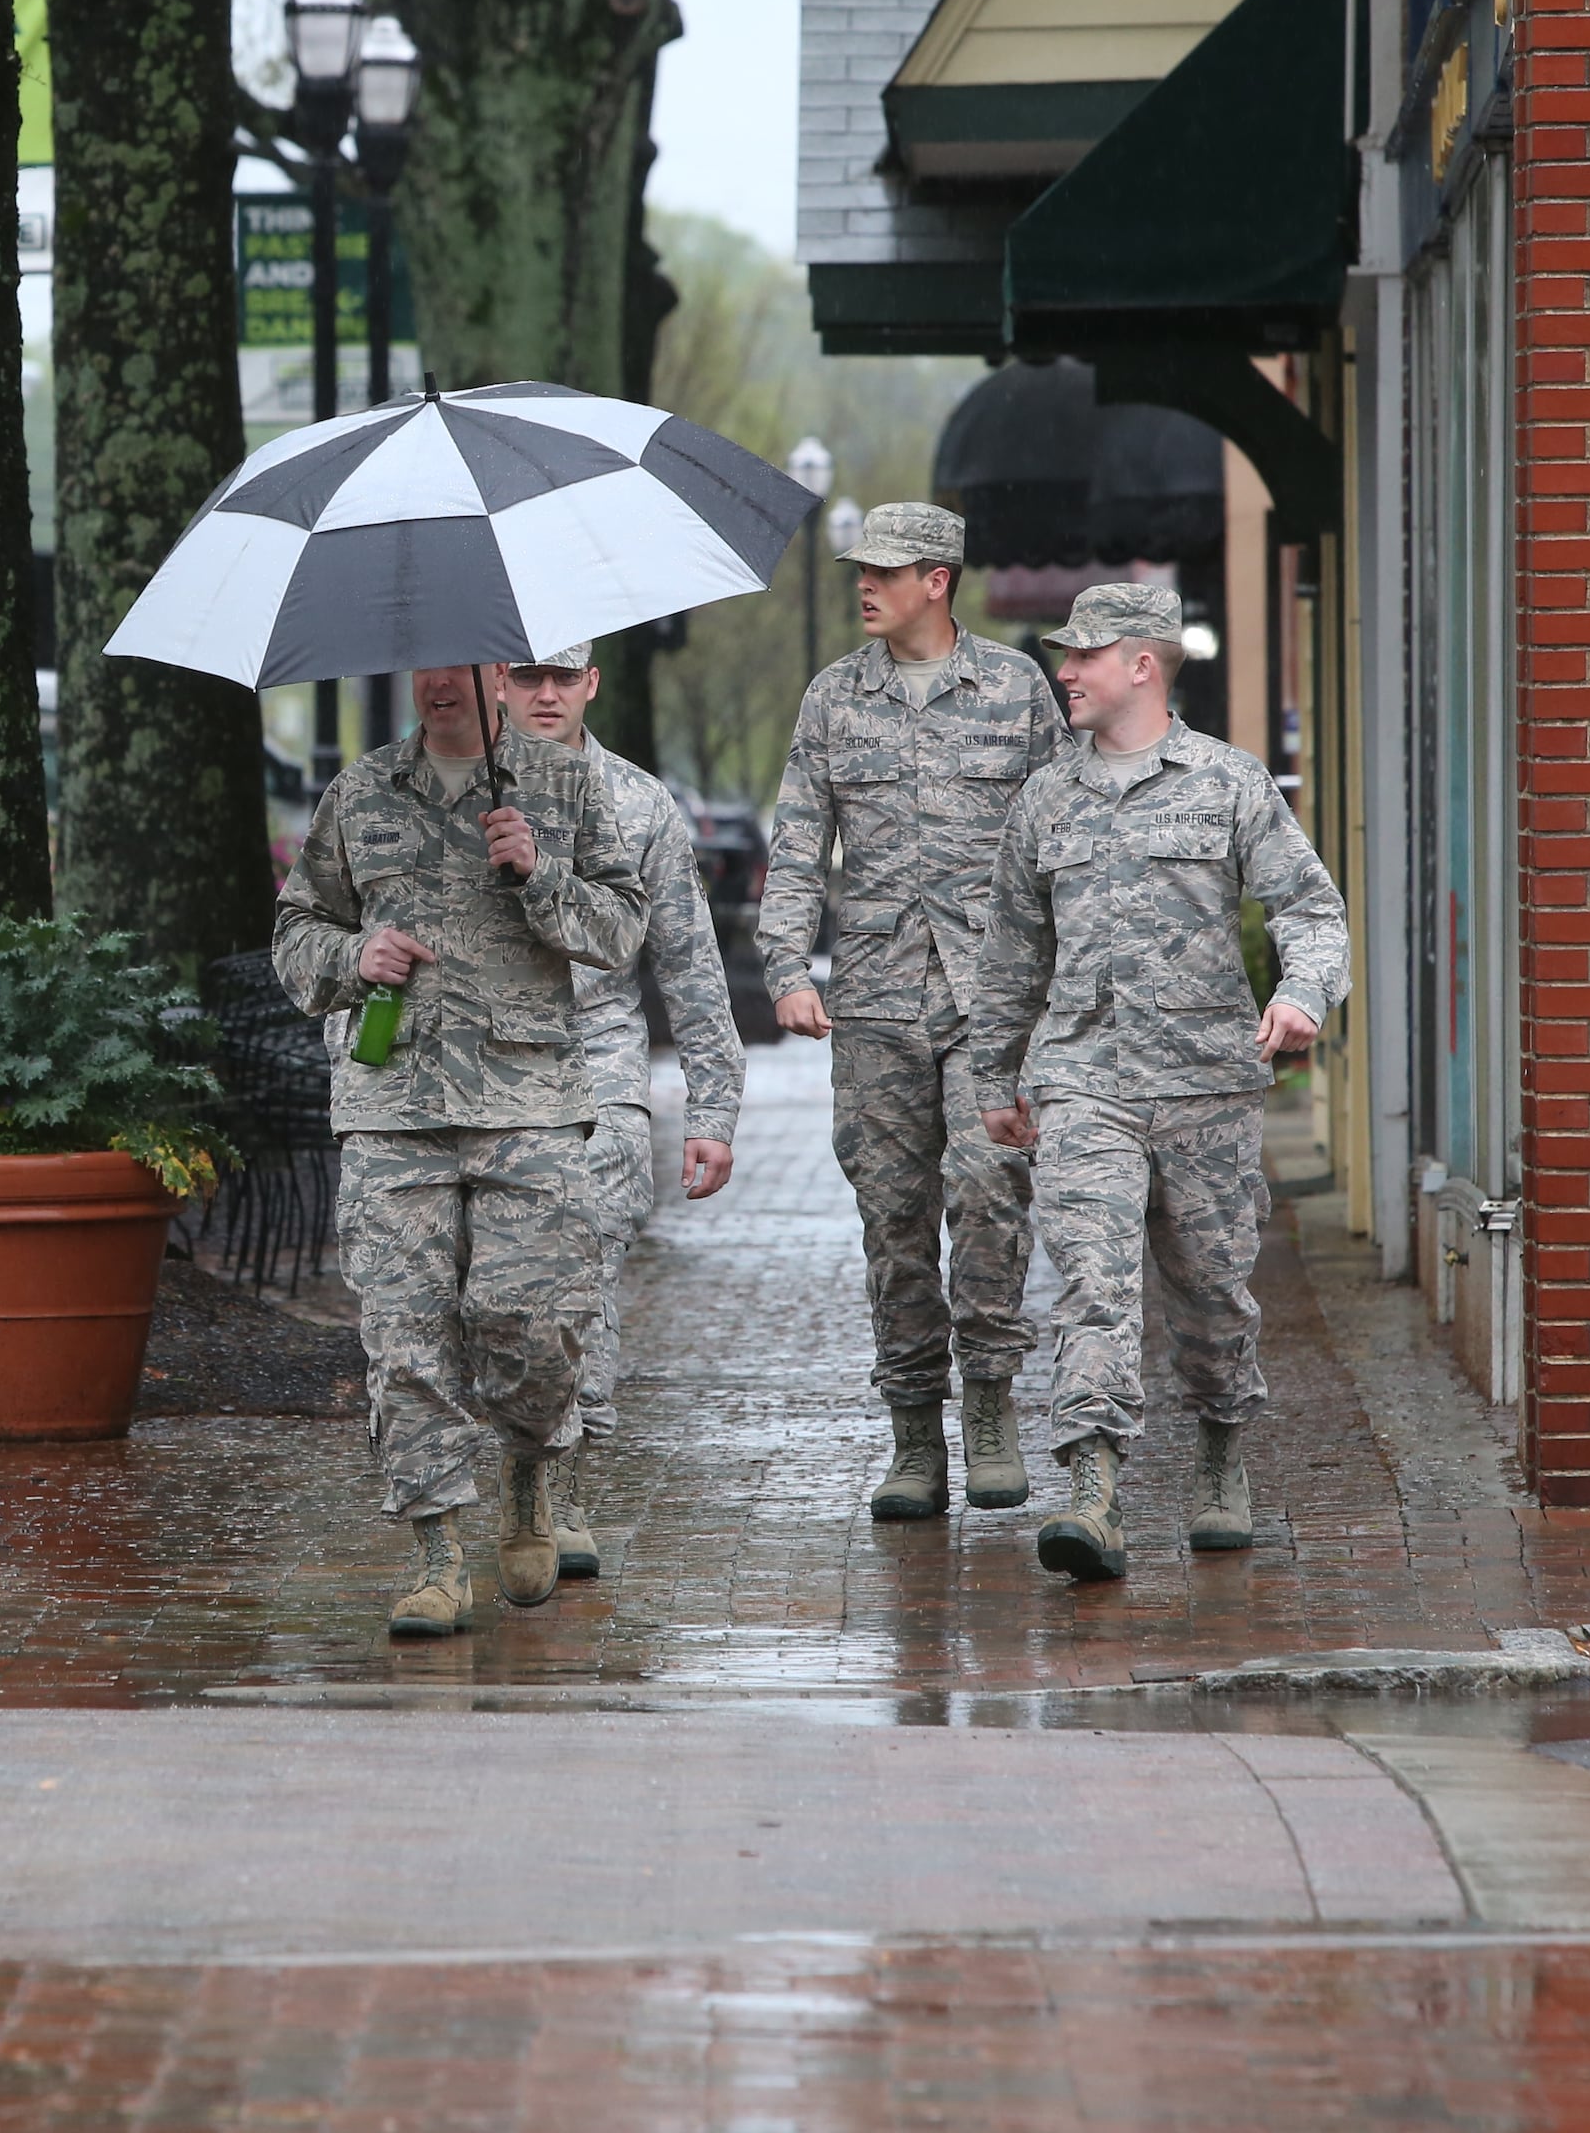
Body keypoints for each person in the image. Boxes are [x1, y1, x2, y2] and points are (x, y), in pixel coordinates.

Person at [970, 583, 1349, 1583]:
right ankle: (1092, 1492)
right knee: (1092, 1285)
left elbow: (1311, 909)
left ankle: (1223, 1448)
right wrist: (995, 1078)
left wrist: (1304, 992)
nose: (1065, 672)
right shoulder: (1044, 799)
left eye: (1085, 656)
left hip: (1207, 1089)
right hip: (1082, 1082)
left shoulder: (1230, 784)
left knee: (1213, 1298)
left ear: (1143, 663)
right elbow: (1010, 953)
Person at [276, 660, 649, 1637]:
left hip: (528, 1103)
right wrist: (352, 958)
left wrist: (542, 873)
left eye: (463, 663)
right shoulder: (358, 795)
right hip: (393, 1106)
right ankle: (438, 1557)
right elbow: (297, 932)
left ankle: (528, 1470)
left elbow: (620, 930)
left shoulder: (563, 786)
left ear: (496, 672)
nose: (440, 681)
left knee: (530, 1321)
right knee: (405, 1338)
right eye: (424, 664)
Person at [756, 501, 1066, 1520]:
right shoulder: (833, 699)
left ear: (938, 579)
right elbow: (798, 842)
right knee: (892, 1220)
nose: (865, 584)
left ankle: (990, 1402)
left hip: (995, 1002)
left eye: (886, 570)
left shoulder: (1018, 690)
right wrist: (787, 971)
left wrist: (1071, 980)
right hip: (878, 1002)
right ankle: (913, 1435)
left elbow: (1061, 845)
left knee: (991, 1195)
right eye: (861, 569)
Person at [497, 639, 741, 1580]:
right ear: (499, 683)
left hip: (597, 1070)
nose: (547, 694)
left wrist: (712, 1110)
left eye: (564, 676)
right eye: (527, 677)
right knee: (492, 1302)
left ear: (593, 682)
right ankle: (520, 1462)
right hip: (480, 1075)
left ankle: (563, 1481)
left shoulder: (637, 804)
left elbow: (688, 961)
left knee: (583, 1283)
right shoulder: (446, 796)